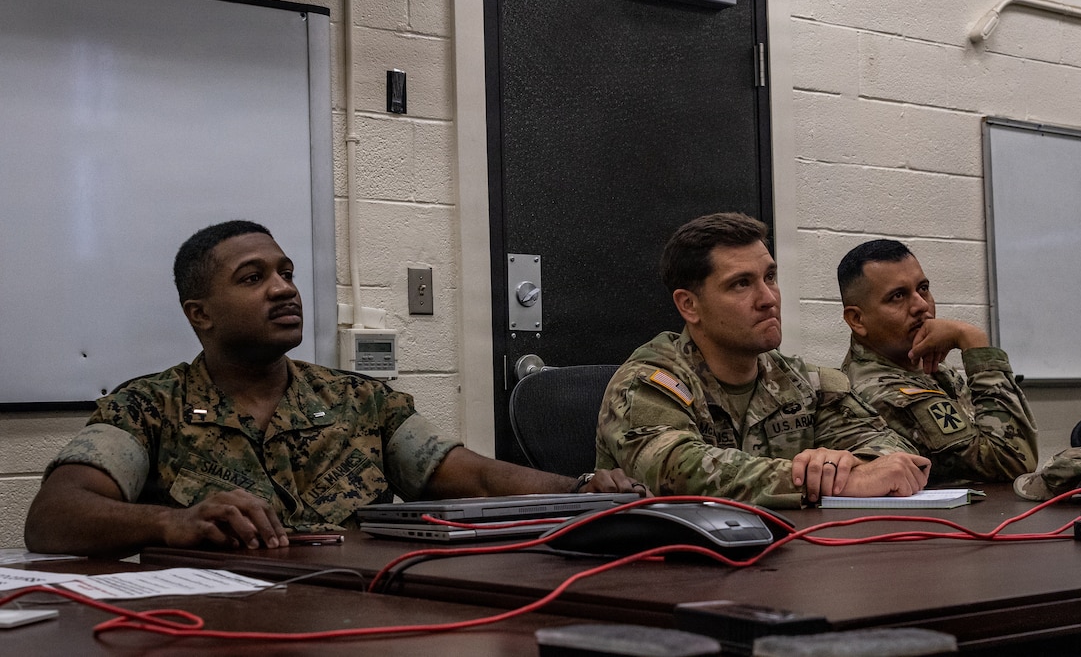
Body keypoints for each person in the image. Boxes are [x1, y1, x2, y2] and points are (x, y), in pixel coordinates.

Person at [24, 220, 643, 557]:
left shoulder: (363, 402)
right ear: (200, 314)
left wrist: (581, 488)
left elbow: (472, 476)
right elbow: (54, 518)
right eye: (253, 277)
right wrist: (171, 524)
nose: (284, 288)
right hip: (218, 623)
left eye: (287, 273)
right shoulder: (147, 406)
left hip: (359, 609)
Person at [596, 213, 930, 510]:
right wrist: (834, 480)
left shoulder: (804, 382)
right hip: (672, 568)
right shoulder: (648, 383)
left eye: (769, 277)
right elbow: (679, 472)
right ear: (689, 306)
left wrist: (850, 464)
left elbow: (895, 451)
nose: (769, 299)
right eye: (741, 284)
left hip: (789, 560)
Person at [837, 238, 1037, 483]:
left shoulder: (924, 368)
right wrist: (974, 342)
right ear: (857, 319)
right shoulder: (880, 392)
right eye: (898, 296)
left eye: (923, 288)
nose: (921, 305)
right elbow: (1013, 461)